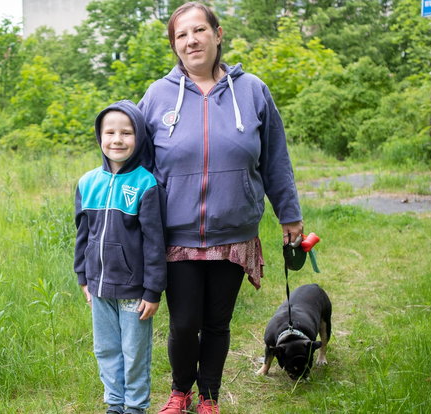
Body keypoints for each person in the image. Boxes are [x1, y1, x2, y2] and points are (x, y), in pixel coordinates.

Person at [137, 2, 304, 413]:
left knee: (216, 323)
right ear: (174, 45)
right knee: (183, 323)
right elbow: (139, 167)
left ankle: (209, 397)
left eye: (198, 31)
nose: (191, 40)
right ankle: (180, 392)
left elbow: (275, 159)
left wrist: (290, 214)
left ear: (217, 33)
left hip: (234, 234)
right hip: (177, 235)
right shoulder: (158, 96)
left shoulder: (252, 90)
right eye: (181, 35)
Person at [74, 100, 167, 414]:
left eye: (126, 133)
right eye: (109, 132)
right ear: (99, 137)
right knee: (106, 349)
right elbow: (82, 236)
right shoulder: (87, 183)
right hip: (99, 287)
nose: (117, 139)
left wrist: (152, 291)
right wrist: (83, 277)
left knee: (133, 351)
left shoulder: (146, 183)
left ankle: (136, 407)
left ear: (138, 138)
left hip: (134, 290)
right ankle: (114, 404)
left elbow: (155, 243)